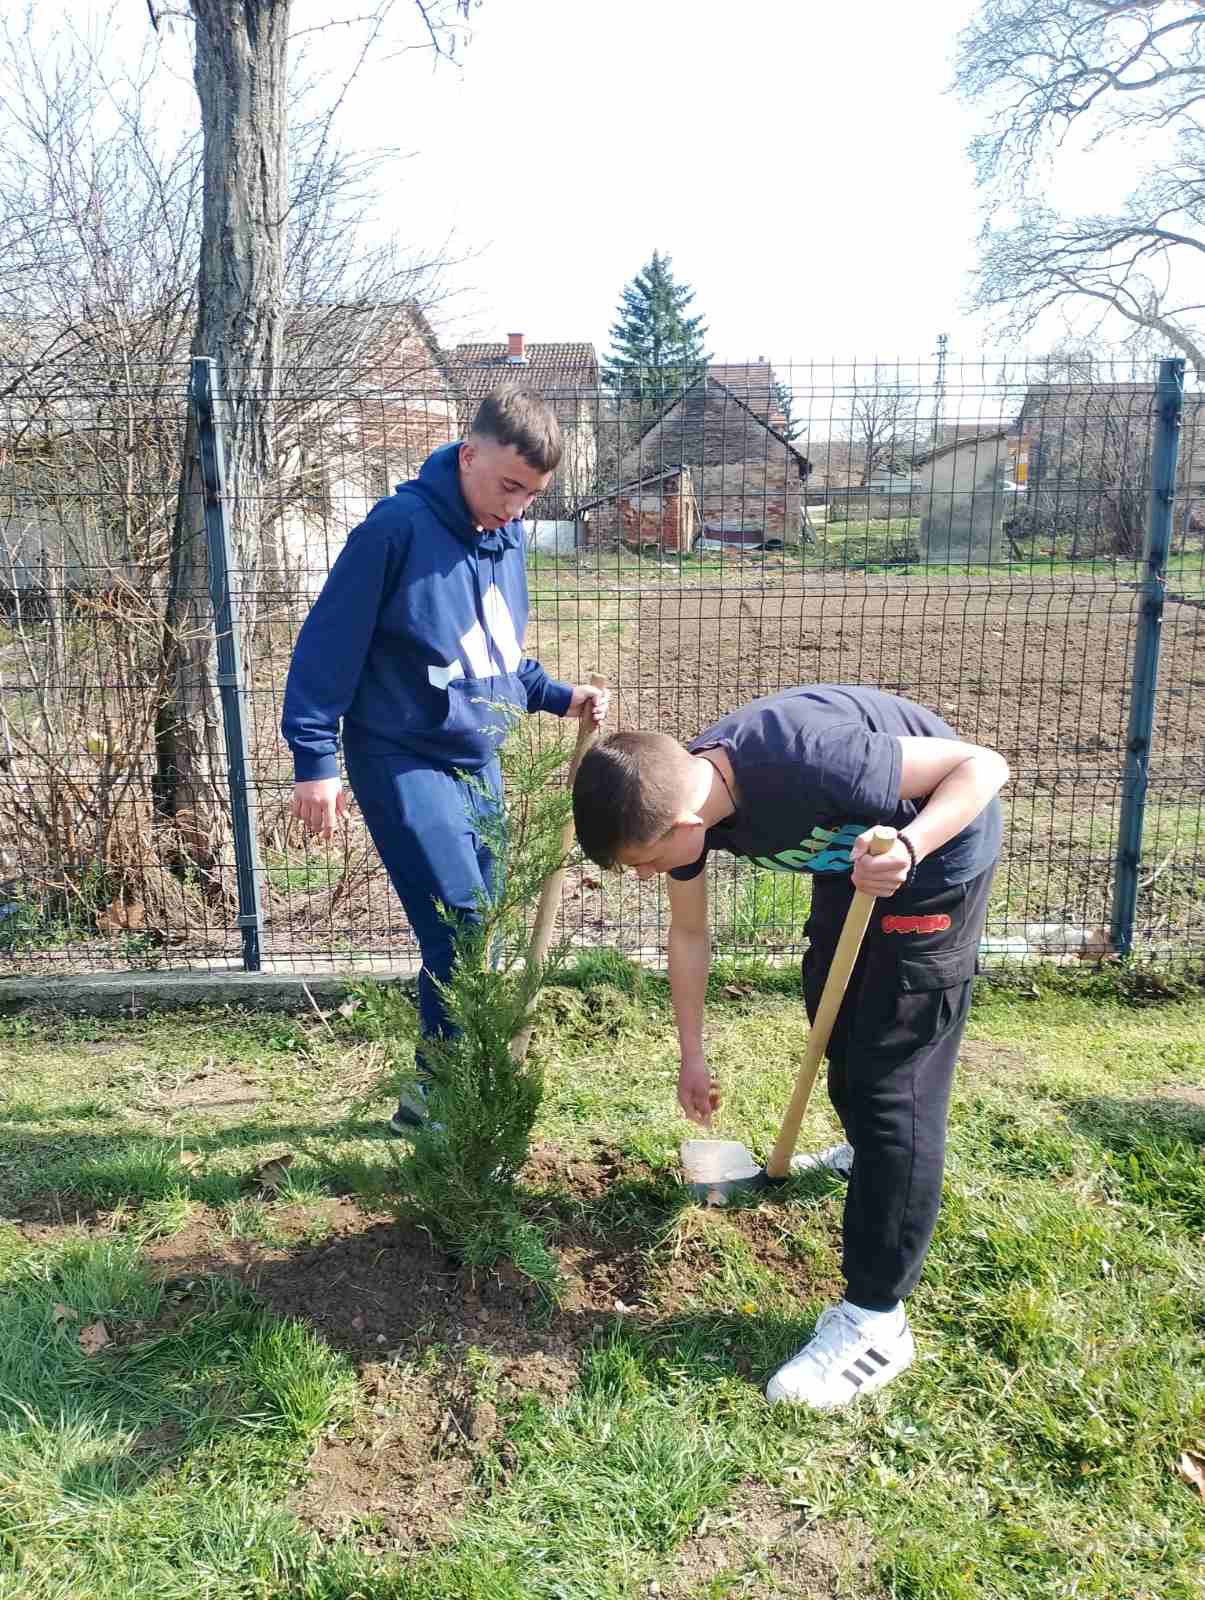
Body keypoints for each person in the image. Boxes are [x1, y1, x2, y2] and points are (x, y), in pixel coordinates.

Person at [572, 685, 1007, 1410]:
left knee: (889, 1083)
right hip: (856, 859)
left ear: (682, 824)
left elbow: (980, 766)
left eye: (643, 862)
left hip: (929, 858)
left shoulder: (802, 759)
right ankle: (864, 1156)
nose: (645, 876)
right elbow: (688, 935)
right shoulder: (685, 808)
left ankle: (875, 1320)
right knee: (833, 1018)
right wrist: (691, 1053)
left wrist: (908, 845)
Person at [283, 386, 608, 1133]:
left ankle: (433, 1089)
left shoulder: (503, 539)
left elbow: (492, 656)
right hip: (399, 753)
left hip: (475, 757)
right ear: (468, 457)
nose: (519, 507)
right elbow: (328, 645)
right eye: (508, 486)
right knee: (458, 921)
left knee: (476, 925)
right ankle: (452, 1092)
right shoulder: (395, 531)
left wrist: (557, 695)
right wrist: (314, 759)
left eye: (533, 495)